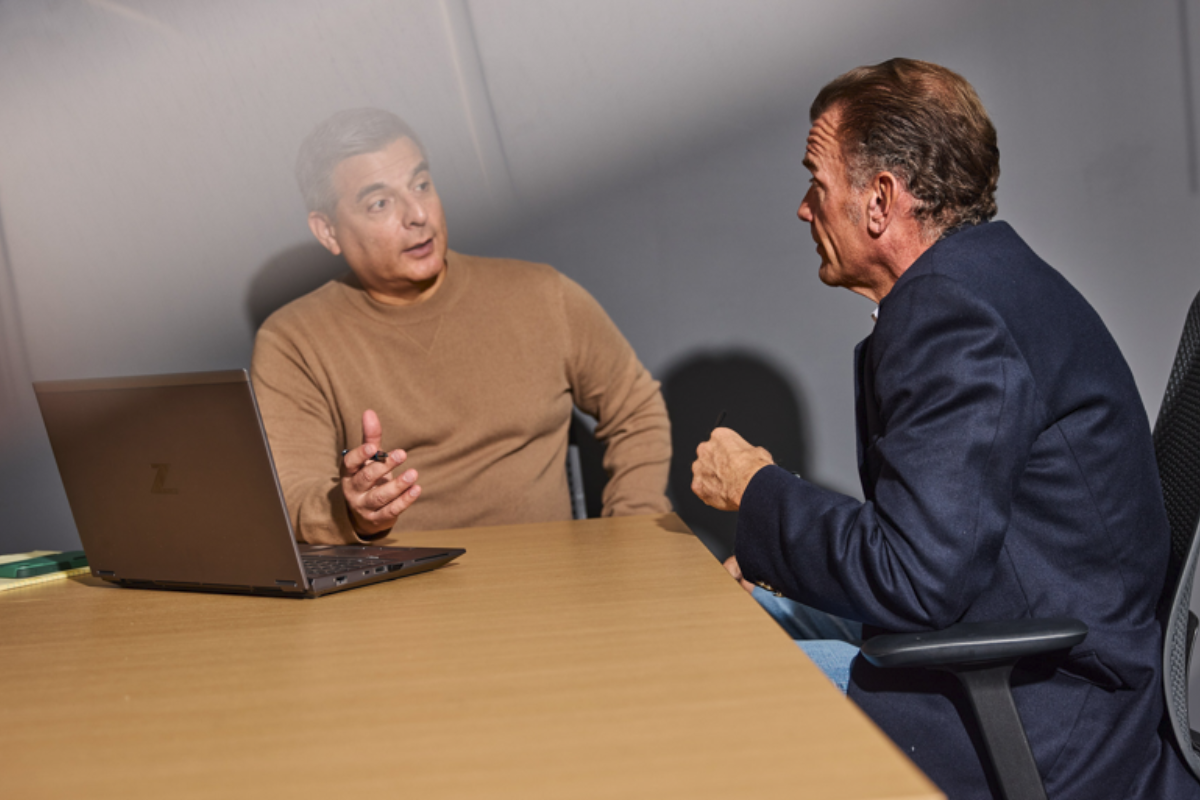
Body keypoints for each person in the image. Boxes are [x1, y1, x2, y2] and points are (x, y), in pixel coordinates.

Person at [691, 59, 1200, 799]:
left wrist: (756, 489)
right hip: (1027, 652)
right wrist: (779, 533)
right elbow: (937, 538)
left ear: (879, 200)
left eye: (817, 183)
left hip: (1041, 717)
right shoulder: (987, 281)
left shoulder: (952, 315)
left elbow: (913, 575)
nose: (804, 208)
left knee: (709, 680)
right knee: (725, 616)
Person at [252, 108, 671, 544]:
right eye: (380, 203)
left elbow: (636, 408)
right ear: (327, 231)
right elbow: (294, 496)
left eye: (421, 185)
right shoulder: (294, 341)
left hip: (548, 576)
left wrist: (634, 533)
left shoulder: (542, 294)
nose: (417, 214)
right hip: (401, 583)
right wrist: (352, 514)